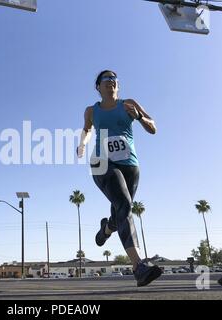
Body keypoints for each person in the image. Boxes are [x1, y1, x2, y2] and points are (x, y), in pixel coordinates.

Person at [77, 70, 162, 287]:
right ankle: (138, 267)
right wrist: (83, 143)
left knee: (122, 210)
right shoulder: (91, 110)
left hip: (130, 165)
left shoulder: (129, 104)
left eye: (114, 80)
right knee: (124, 203)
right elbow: (87, 130)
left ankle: (106, 228)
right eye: (106, 79)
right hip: (102, 162)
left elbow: (153, 128)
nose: (111, 82)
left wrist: (140, 117)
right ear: (98, 87)